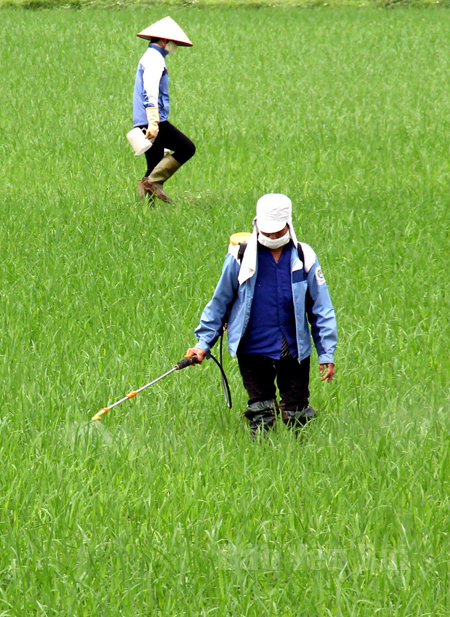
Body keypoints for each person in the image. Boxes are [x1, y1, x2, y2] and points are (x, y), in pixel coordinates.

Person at [187, 194, 337, 436]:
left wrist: (326, 353)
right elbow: (219, 302)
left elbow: (321, 307)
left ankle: (300, 461)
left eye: (278, 233)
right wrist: (203, 343)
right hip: (253, 347)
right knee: (261, 413)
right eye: (268, 234)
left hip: (294, 347)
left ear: (288, 225)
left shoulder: (303, 255)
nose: (273, 238)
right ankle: (262, 459)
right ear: (257, 225)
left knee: (298, 413)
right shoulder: (240, 256)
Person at [133, 16, 196, 203]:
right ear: (164, 41)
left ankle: (146, 210)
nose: (174, 47)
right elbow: (150, 90)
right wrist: (154, 121)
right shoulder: (154, 59)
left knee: (153, 163)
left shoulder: (151, 57)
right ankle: (153, 183)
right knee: (187, 148)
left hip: (144, 120)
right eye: (173, 43)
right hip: (153, 119)